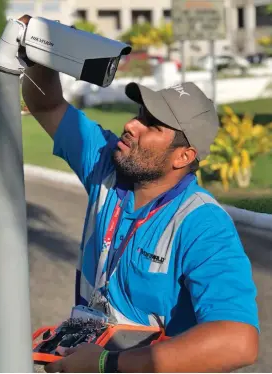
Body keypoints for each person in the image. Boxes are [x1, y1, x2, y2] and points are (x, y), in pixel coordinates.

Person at [21, 54, 259, 373]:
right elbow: (47, 105)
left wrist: (107, 364)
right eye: (138, 115)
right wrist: (42, 48)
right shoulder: (107, 165)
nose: (131, 125)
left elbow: (238, 342)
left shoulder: (203, 223)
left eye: (151, 125)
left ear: (183, 156)